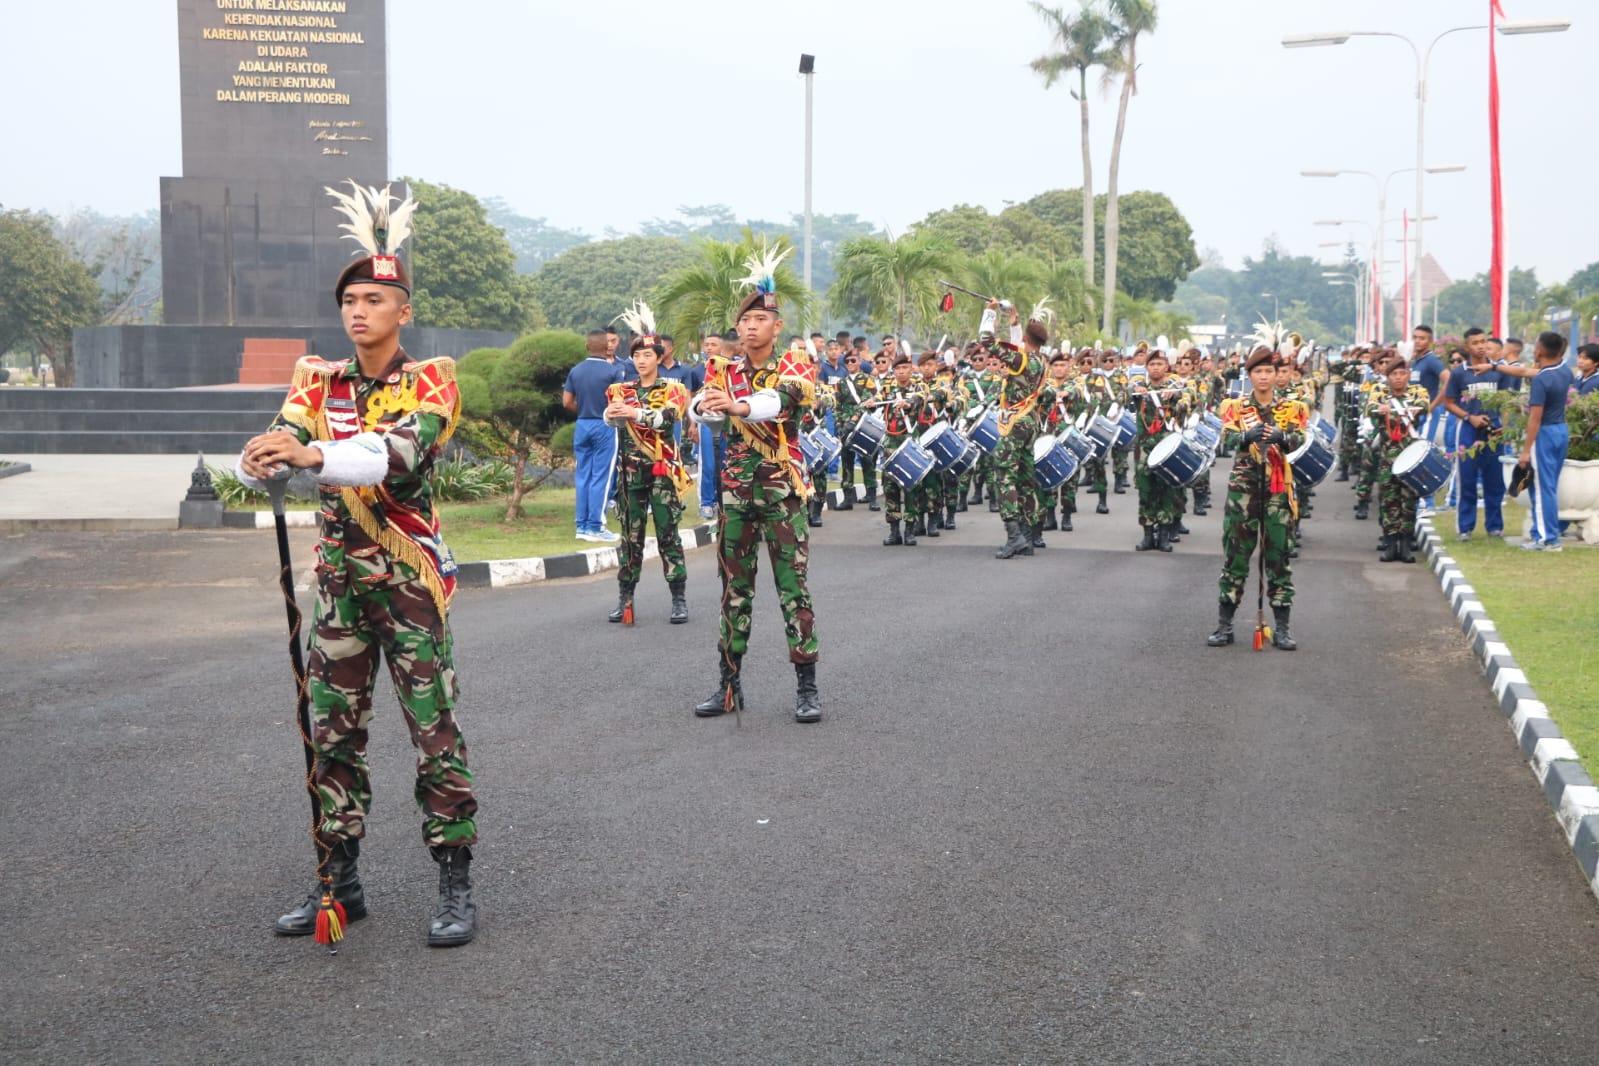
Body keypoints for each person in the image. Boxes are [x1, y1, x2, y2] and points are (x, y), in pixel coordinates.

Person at [236, 183, 477, 948]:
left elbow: (398, 451)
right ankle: (339, 882)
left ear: (402, 310)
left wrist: (312, 455)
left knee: (432, 733)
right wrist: (261, 459)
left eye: (374, 298)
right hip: (339, 588)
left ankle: (454, 879)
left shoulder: (430, 378)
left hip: (409, 589)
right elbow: (275, 442)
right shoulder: (318, 382)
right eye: (349, 298)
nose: (358, 310)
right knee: (333, 736)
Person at [689, 246, 821, 722]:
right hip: (736, 494)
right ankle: (728, 685)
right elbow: (700, 406)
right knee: (733, 591)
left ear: (776, 326)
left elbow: (779, 403)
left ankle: (807, 686)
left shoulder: (796, 364)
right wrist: (704, 409)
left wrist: (737, 407)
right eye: (744, 321)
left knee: (793, 590)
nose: (749, 327)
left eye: (759, 320)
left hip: (782, 492)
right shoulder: (724, 370)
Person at [1208, 347, 1308, 651]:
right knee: (1235, 556)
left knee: (1279, 558)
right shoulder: (1235, 407)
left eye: (1269, 372)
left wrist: (1283, 437)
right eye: (1258, 372)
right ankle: (1225, 625)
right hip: (1244, 491)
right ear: (1249, 375)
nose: (1264, 377)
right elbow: (1226, 439)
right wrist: (1245, 438)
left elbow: (1301, 439)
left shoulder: (1292, 408)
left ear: (1277, 375)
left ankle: (1283, 629)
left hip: (1277, 490)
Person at [603, 303, 692, 624]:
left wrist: (634, 413)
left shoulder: (674, 389)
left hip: (662, 471)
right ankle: (625, 598)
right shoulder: (620, 391)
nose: (641, 361)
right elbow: (613, 423)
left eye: (648, 356)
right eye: (637, 356)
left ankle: (678, 598)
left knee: (668, 533)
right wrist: (612, 414)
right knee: (630, 536)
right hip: (629, 473)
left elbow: (667, 419)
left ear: (659, 358)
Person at [989, 301, 1049, 558]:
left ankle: (1014, 536)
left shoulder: (1021, 359)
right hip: (1030, 423)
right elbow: (1017, 351)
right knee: (1025, 477)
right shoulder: (1039, 361)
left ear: (1026, 338)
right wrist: (1013, 322)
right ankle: (1027, 535)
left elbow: (986, 342)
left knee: (1004, 476)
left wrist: (990, 312)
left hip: (1015, 424)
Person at [1441, 342, 1516, 541]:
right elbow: (1448, 403)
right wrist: (1469, 417)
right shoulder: (1459, 373)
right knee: (1467, 481)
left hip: (1494, 431)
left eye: (1484, 342)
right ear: (1467, 346)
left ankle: (1495, 527)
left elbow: (1507, 401)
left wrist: (1505, 426)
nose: (1481, 346)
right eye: (1475, 343)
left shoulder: (1498, 371)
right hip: (1467, 430)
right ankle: (1465, 528)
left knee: (1495, 482)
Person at [563, 330, 624, 542]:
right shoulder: (614, 371)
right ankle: (596, 526)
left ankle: (581, 525)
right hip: (605, 424)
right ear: (606, 347)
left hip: (582, 424)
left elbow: (566, 402)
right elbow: (618, 402)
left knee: (583, 475)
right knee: (602, 476)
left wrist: (583, 409)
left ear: (587, 346)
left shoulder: (576, 371)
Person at [1370, 358, 1431, 563]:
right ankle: (1389, 544)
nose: (1398, 378)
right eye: (1394, 374)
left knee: (1409, 500)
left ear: (1408, 375)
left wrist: (1413, 409)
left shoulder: (1417, 392)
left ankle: (1405, 545)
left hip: (1410, 458)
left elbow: (1424, 405)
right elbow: (1370, 408)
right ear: (1388, 377)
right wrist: (1382, 409)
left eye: (1402, 374)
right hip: (1388, 458)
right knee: (1388, 500)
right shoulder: (1379, 393)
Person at [1518, 331, 1574, 551]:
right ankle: (1538, 533)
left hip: (1545, 433)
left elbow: (1535, 418)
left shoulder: (1542, 378)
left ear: (1540, 349)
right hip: (1560, 430)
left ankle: (1548, 539)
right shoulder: (1564, 370)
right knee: (1544, 486)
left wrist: (1525, 450)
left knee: (1543, 489)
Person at [1130, 349, 1190, 552]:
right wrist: (1135, 390)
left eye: (1159, 364)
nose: (1156, 368)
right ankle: (1147, 535)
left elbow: (1190, 401)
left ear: (1167, 367)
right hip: (1145, 447)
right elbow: (1124, 400)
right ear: (1147, 367)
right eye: (1152, 364)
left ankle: (1164, 535)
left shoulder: (1175, 386)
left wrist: (1177, 396)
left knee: (1167, 490)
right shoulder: (1140, 386)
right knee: (1145, 491)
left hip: (1166, 448)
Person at [877, 354, 926, 546]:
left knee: (910, 487)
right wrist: (871, 402)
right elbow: (877, 397)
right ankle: (894, 531)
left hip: (909, 444)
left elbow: (919, 399)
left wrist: (908, 403)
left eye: (904, 368)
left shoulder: (918, 387)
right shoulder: (888, 387)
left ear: (911, 369)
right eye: (897, 369)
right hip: (890, 444)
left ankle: (910, 530)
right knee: (890, 489)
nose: (901, 372)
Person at [833, 348, 880, 511]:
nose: (850, 364)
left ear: (859, 362)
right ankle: (847, 498)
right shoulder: (840, 382)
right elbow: (837, 406)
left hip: (863, 424)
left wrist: (854, 420)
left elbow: (868, 401)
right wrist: (839, 425)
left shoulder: (866, 379)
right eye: (847, 361)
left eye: (853, 360)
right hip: (845, 426)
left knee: (867, 459)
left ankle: (872, 497)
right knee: (846, 460)